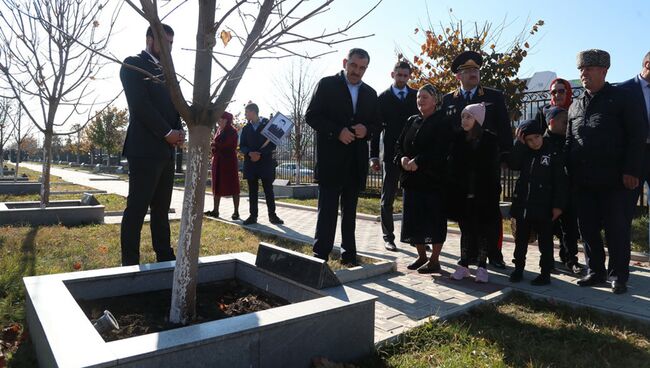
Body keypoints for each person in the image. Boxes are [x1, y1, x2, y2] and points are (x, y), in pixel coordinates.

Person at [566, 49, 646, 294]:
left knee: (616, 228)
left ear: (604, 71)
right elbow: (570, 140)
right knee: (588, 227)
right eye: (581, 69)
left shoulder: (622, 98)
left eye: (589, 69)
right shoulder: (576, 104)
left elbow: (636, 137)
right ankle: (595, 270)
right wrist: (569, 172)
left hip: (615, 180)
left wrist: (632, 170)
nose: (584, 73)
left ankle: (618, 275)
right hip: (584, 180)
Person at [305, 48, 380, 265]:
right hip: (331, 161)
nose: (357, 71)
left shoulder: (370, 93)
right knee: (327, 211)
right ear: (345, 62)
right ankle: (320, 255)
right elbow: (311, 116)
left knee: (350, 213)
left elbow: (377, 123)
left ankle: (349, 255)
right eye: (354, 65)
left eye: (362, 68)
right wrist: (337, 131)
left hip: (355, 163)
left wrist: (367, 131)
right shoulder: (327, 84)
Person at [119, 24, 184, 266]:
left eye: (171, 44)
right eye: (164, 43)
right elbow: (140, 105)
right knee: (136, 209)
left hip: (166, 152)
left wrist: (178, 131)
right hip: (144, 150)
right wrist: (167, 132)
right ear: (149, 39)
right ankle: (129, 263)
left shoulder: (168, 72)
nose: (169, 48)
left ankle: (165, 257)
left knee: (161, 210)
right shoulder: (133, 64)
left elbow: (175, 106)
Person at [441, 50, 512, 269]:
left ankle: (495, 253)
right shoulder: (448, 100)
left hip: (486, 165)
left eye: (476, 70)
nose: (473, 73)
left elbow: (504, 128)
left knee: (489, 209)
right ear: (458, 76)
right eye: (468, 70)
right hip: (461, 167)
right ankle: (470, 252)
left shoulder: (493, 96)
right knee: (465, 210)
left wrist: (506, 154)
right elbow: (446, 133)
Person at [394, 84, 452, 273]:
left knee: (434, 220)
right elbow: (399, 145)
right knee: (414, 220)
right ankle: (421, 256)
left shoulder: (442, 121)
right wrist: (402, 158)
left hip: (433, 180)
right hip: (411, 180)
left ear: (435, 100)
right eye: (418, 97)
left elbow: (441, 149)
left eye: (425, 97)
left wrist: (419, 161)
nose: (420, 100)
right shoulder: (412, 120)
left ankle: (435, 260)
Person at [508, 119, 567, 285]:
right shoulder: (524, 152)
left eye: (537, 137)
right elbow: (513, 164)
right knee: (520, 240)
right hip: (523, 206)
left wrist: (558, 206)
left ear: (541, 135)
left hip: (544, 207)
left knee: (545, 242)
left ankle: (545, 272)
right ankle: (518, 269)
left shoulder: (552, 153)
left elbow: (560, 182)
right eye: (529, 140)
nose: (535, 142)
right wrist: (519, 145)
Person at [370, 61, 419, 251]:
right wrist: (374, 156)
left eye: (405, 76)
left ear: (409, 76)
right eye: (399, 75)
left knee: (413, 197)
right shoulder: (382, 98)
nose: (402, 79)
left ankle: (414, 236)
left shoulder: (416, 97)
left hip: (411, 156)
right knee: (387, 197)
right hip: (390, 156)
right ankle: (388, 236)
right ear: (393, 74)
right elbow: (375, 130)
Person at [448, 103, 500, 283]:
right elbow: (453, 166)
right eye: (462, 116)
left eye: (468, 117)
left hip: (483, 194)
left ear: (477, 119)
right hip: (463, 194)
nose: (464, 120)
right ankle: (463, 265)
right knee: (466, 231)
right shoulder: (458, 139)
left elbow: (492, 170)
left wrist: (490, 193)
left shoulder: (489, 140)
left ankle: (482, 267)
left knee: (482, 231)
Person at [541, 106, 583, 274]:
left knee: (570, 228)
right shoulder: (542, 143)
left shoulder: (569, 141)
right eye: (564, 122)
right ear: (552, 122)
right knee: (547, 228)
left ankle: (570, 259)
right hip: (547, 194)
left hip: (567, 192)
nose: (568, 125)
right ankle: (547, 261)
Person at [239, 103, 284, 226]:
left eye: (247, 112)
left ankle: (272, 216)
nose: (245, 114)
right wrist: (249, 153)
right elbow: (242, 145)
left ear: (253, 112)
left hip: (265, 163)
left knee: (268, 190)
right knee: (252, 191)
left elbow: (272, 144)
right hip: (251, 163)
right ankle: (253, 216)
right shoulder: (246, 128)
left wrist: (260, 153)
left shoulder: (267, 126)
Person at [618, 52, 650, 209]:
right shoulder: (624, 90)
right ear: (647, 65)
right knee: (625, 210)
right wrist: (628, 167)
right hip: (634, 157)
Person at [204, 111, 240, 220]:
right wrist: (214, 147)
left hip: (229, 162)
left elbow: (228, 144)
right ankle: (215, 210)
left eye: (221, 119)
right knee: (217, 184)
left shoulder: (232, 131)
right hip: (218, 161)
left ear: (226, 120)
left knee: (233, 185)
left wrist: (214, 144)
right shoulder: (219, 130)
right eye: (218, 119)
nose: (219, 121)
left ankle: (236, 212)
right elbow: (216, 145)